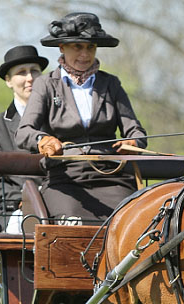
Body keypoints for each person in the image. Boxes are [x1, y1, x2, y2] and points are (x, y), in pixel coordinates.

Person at [15, 12, 147, 223]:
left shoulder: (111, 84)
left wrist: (133, 142)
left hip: (111, 176)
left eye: (90, 47)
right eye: (77, 46)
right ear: (62, 47)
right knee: (73, 225)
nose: (85, 54)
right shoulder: (46, 85)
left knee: (130, 223)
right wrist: (44, 140)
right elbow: (24, 132)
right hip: (65, 179)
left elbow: (136, 132)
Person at [0, 45, 48, 231]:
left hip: (58, 203)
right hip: (13, 209)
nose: (30, 78)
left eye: (35, 71)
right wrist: (23, 200)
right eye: (21, 72)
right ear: (8, 80)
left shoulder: (58, 120)